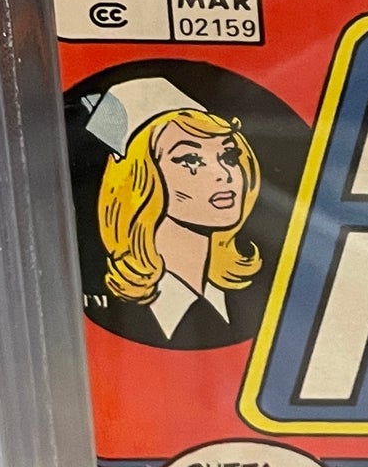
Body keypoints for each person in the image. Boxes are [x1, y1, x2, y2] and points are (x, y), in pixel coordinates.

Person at [90, 75, 262, 348]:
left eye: (228, 156)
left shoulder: (251, 302)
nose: (224, 174)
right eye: (191, 159)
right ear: (139, 179)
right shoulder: (116, 314)